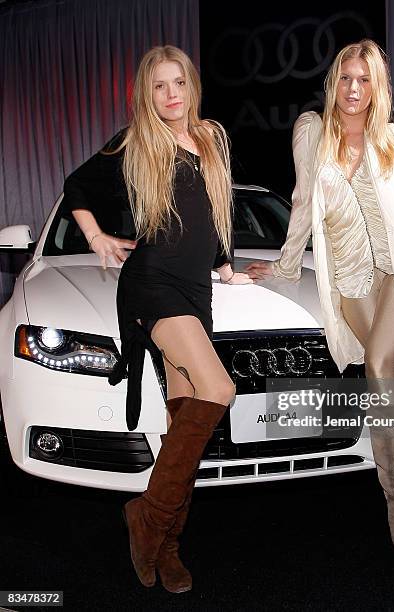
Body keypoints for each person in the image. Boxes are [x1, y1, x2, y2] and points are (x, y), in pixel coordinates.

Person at [245, 39, 394, 575]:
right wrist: (284, 266)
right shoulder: (311, 133)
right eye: (346, 77)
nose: (353, 89)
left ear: (377, 87)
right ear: (333, 82)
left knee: (381, 366)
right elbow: (300, 205)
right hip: (348, 278)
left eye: (364, 80)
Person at [62, 45, 252, 593]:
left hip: (195, 289)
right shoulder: (137, 141)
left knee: (182, 420)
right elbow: (77, 186)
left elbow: (215, 214)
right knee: (218, 388)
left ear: (192, 86)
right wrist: (97, 236)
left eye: (179, 83)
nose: (171, 95)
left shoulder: (211, 139)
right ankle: (146, 515)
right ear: (147, 94)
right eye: (159, 86)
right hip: (151, 284)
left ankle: (166, 543)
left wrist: (225, 268)